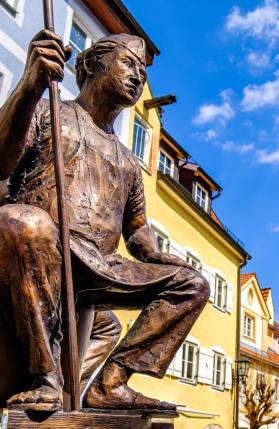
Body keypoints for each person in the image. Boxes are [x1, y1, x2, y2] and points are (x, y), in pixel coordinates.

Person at [0, 30, 209, 412]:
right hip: (41, 245)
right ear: (92, 64)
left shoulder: (129, 162)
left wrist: (157, 256)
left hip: (99, 263)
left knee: (192, 284)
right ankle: (45, 378)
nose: (136, 77)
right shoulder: (49, 109)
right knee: (24, 222)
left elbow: (138, 229)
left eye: (142, 75)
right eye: (128, 64)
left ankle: (109, 383)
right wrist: (28, 89)